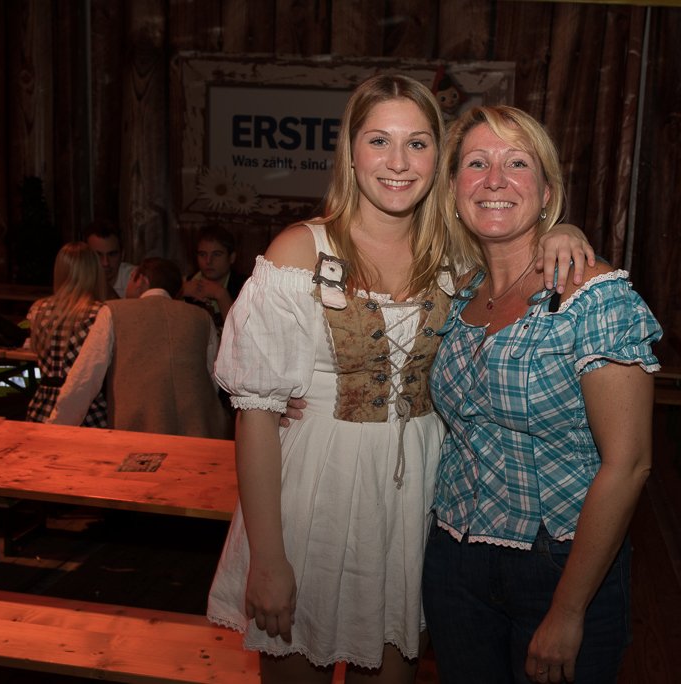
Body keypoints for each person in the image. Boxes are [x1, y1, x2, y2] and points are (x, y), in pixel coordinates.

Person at [205, 75, 594, 684]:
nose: (398, 162)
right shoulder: (299, 253)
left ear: (439, 159)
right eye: (379, 141)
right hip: (313, 491)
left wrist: (562, 232)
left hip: (416, 499)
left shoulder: (457, 256)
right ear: (350, 152)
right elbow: (255, 416)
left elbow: (518, 244)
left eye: (417, 143)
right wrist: (268, 558)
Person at [422, 105, 660, 683]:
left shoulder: (593, 296)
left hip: (559, 565)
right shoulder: (460, 291)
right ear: (453, 189)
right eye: (476, 163)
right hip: (454, 557)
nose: (494, 180)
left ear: (547, 191)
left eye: (517, 163)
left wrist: (569, 609)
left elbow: (629, 464)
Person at [46, 257, 228, 439]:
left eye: (131, 278)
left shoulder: (113, 312)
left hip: (140, 433)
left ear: (142, 280)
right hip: (199, 433)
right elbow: (213, 379)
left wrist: (56, 428)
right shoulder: (202, 318)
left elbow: (85, 378)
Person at [25, 242, 109, 427]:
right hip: (87, 411)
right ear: (94, 272)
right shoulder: (100, 313)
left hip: (42, 406)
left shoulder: (39, 309)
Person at [181, 224, 247, 327]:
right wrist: (179, 292)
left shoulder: (247, 287)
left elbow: (241, 332)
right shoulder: (185, 283)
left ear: (231, 258)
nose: (208, 261)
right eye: (202, 254)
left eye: (216, 254)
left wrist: (221, 295)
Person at [86, 219, 135, 299]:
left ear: (122, 255)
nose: (105, 263)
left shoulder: (136, 280)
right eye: (98, 255)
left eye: (112, 254)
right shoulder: (77, 280)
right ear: (86, 256)